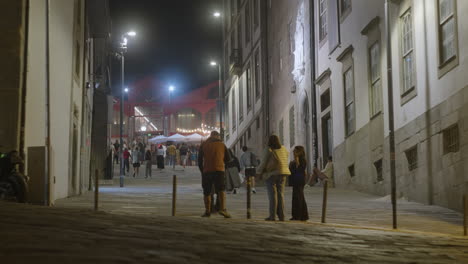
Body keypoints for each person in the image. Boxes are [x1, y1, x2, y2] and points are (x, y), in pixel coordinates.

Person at [256, 135, 291, 221]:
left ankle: (272, 216)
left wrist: (258, 173)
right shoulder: (283, 148)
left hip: (272, 174)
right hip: (283, 172)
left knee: (272, 196)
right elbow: (286, 157)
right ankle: (282, 216)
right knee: (280, 194)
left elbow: (263, 162)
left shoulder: (269, 149)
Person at [198, 131, 232, 218]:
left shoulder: (204, 145)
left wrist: (203, 171)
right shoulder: (222, 145)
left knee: (207, 192)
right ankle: (223, 209)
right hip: (219, 170)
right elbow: (228, 159)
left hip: (207, 171)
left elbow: (199, 161)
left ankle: (207, 211)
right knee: (221, 190)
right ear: (217, 136)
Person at [289, 146, 309, 221]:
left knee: (299, 198)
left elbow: (299, 169)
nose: (293, 152)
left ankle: (299, 216)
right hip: (296, 181)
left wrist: (296, 163)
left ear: (299, 152)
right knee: (297, 198)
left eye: (295, 151)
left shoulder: (302, 160)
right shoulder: (296, 160)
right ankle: (298, 215)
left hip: (299, 181)